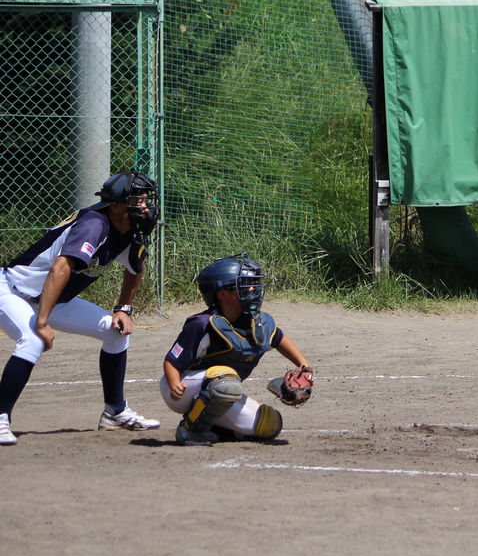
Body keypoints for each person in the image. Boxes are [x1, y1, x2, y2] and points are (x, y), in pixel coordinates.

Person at [0, 170, 162, 446]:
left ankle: (115, 411)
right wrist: (42, 322)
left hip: (52, 299)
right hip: (13, 289)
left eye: (147, 199)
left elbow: (136, 267)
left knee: (116, 331)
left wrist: (124, 308)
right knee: (32, 341)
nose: (146, 206)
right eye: (139, 200)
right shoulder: (94, 225)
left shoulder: (128, 230)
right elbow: (61, 267)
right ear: (116, 204)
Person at [161, 255, 312, 445]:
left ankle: (214, 427)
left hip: (219, 390)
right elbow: (172, 361)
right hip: (182, 388)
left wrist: (303, 364)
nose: (253, 290)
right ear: (222, 294)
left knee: (269, 425)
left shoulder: (256, 321)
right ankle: (190, 430)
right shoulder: (202, 324)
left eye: (254, 284)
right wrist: (174, 383)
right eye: (245, 285)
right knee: (226, 381)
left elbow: (279, 338)